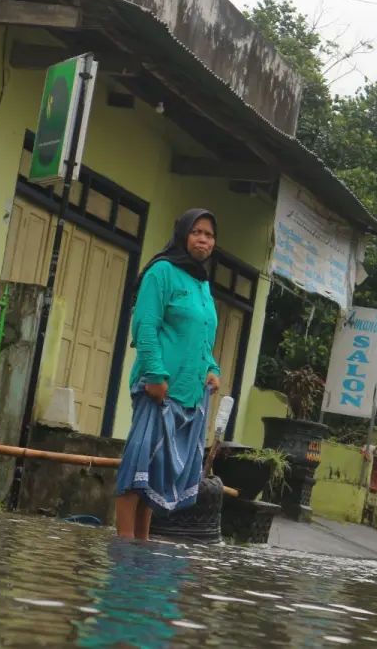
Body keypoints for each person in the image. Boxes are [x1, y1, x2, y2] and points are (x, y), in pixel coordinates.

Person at [114, 209, 220, 541]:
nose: (203, 239)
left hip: (188, 396)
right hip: (157, 388)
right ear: (182, 234)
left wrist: (212, 368)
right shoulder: (162, 272)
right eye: (197, 232)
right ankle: (124, 544)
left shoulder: (201, 284)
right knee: (137, 467)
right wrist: (155, 376)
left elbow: (202, 336)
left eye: (209, 235)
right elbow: (145, 324)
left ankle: (142, 544)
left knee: (157, 476)